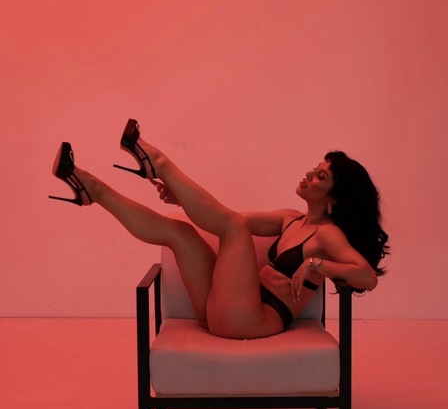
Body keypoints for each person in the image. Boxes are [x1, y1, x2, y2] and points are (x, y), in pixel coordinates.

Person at [49, 119, 389, 339]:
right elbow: (225, 217)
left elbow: (367, 277)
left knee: (234, 226)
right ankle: (93, 190)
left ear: (334, 198)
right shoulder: (291, 218)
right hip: (223, 311)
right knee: (181, 232)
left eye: (320, 176)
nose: (309, 175)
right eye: (314, 168)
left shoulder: (328, 234)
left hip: (251, 321)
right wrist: (181, 199)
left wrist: (317, 264)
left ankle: (159, 162)